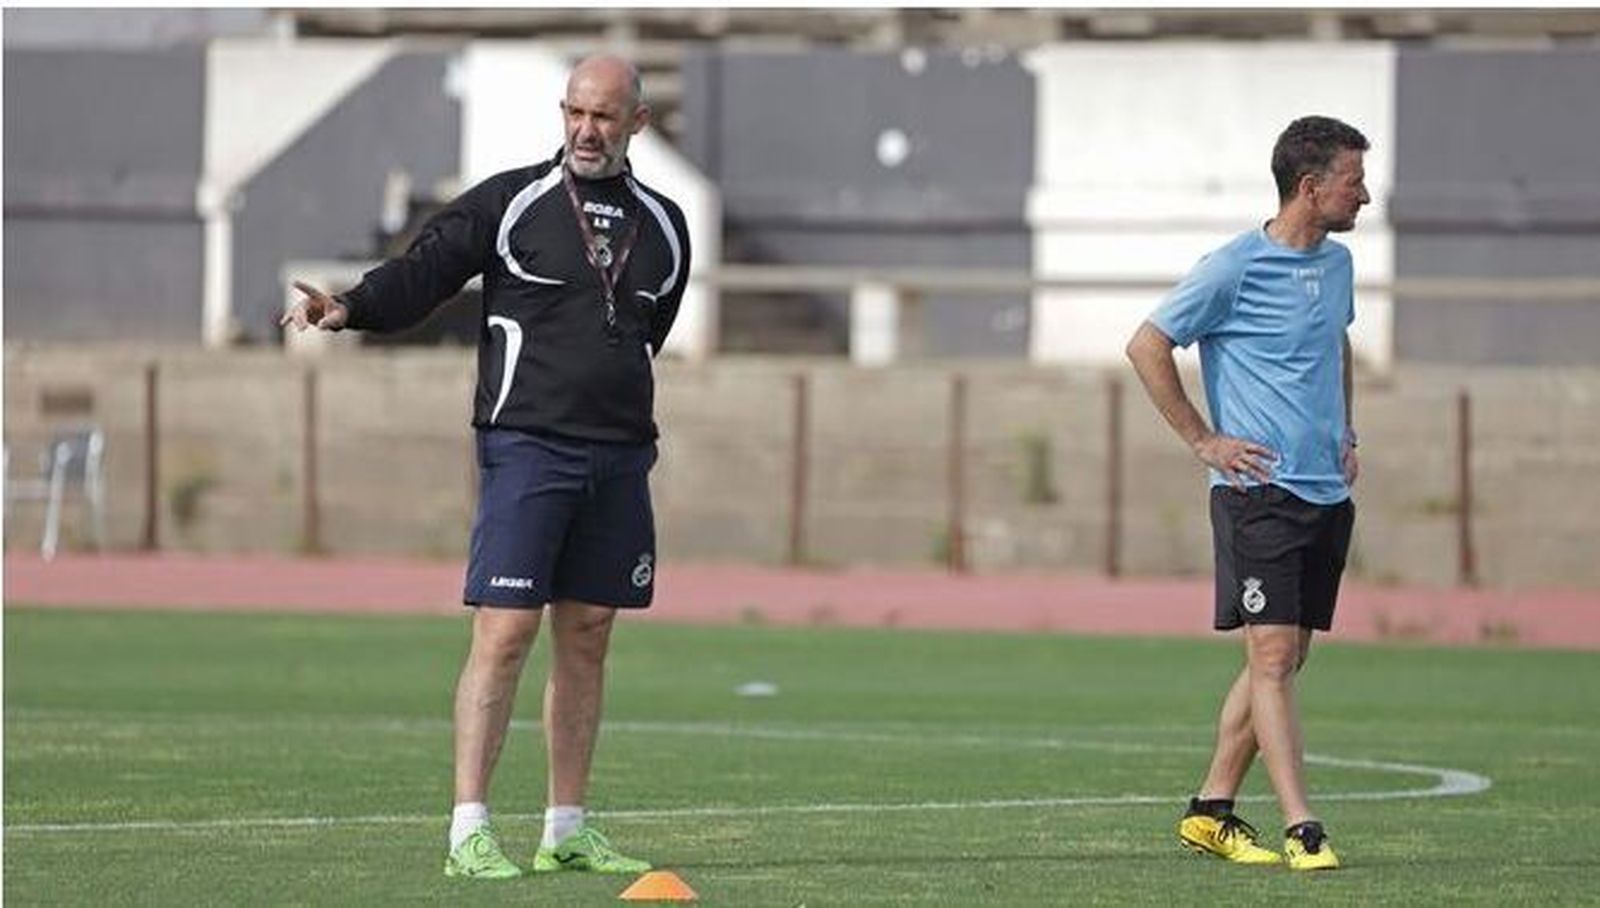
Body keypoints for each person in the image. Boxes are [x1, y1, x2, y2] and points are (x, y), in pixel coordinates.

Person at [283, 53, 691, 880]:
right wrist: (352, 305)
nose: (585, 129)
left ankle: (565, 828)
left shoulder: (668, 225)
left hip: (618, 455)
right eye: (575, 111)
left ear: (637, 124)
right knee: (505, 631)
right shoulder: (512, 203)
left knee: (590, 633)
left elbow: (650, 331)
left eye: (604, 117)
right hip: (527, 447)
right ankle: (468, 830)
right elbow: (424, 271)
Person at [1125, 115, 1369, 872]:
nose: (1367, 195)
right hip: (1256, 492)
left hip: (1326, 492)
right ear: (1311, 187)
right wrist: (1204, 439)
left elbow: (1337, 342)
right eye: (1355, 181)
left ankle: (1211, 811)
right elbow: (1147, 343)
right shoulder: (1233, 266)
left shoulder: (1338, 266)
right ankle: (1303, 826)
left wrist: (1348, 432)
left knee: (1286, 656)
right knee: (1269, 658)